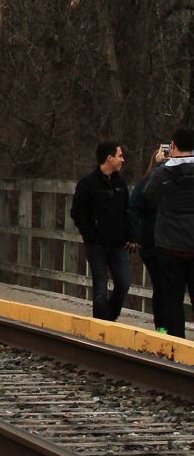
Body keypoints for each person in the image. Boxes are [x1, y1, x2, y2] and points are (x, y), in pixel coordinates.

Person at [70, 141, 130, 321]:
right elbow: (77, 213)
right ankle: (100, 325)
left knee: (124, 283)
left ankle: (110, 317)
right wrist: (90, 235)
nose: (122, 160)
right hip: (97, 244)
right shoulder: (88, 184)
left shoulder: (120, 184)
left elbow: (127, 211)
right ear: (109, 158)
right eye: (119, 156)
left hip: (117, 243)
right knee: (100, 286)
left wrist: (129, 235)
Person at [144, 127, 194, 338]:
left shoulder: (162, 174)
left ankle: (177, 344)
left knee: (172, 299)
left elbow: (146, 196)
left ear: (172, 146)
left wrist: (160, 163)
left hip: (169, 245)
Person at [128, 146, 169, 332]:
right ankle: (162, 326)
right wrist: (134, 234)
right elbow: (134, 206)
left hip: (172, 240)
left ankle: (171, 325)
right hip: (152, 241)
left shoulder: (175, 181)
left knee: (170, 285)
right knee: (161, 284)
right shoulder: (146, 182)